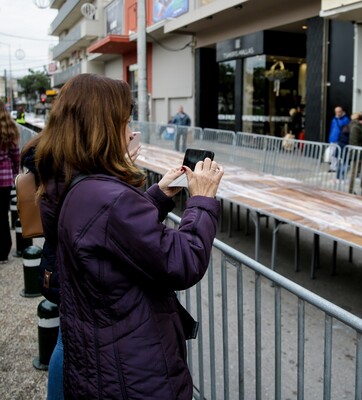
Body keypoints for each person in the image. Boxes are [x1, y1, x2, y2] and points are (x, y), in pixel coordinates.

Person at [33, 73, 224, 399]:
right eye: (123, 122)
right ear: (102, 127)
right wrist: (202, 201)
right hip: (133, 371)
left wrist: (160, 194)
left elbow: (108, 235)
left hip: (98, 362)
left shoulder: (72, 183)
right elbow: (184, 260)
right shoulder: (109, 197)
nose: (129, 130)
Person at [0, 100, 20, 264]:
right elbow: (15, 156)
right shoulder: (9, 128)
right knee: (3, 216)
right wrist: (15, 175)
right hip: (4, 180)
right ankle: (4, 250)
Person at [348, 110, 362, 195]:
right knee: (354, 172)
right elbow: (354, 142)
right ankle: (350, 190)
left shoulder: (361, 126)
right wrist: (359, 155)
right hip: (357, 155)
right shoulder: (356, 127)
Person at [328, 106, 350, 173]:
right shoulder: (334, 119)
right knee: (331, 154)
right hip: (333, 138)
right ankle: (333, 166)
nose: (337, 113)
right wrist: (330, 138)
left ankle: (336, 167)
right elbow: (332, 129)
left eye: (339, 112)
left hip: (339, 139)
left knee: (337, 154)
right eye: (336, 112)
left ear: (342, 111)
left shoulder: (345, 119)